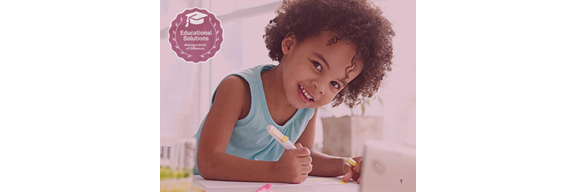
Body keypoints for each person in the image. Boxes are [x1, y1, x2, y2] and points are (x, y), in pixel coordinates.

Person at [193, 0, 395, 184]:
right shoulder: (238, 89)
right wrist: (275, 170)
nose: (320, 87)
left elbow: (306, 158)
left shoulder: (307, 106)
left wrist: (346, 164)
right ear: (289, 44)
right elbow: (208, 162)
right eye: (317, 65)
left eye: (335, 84)